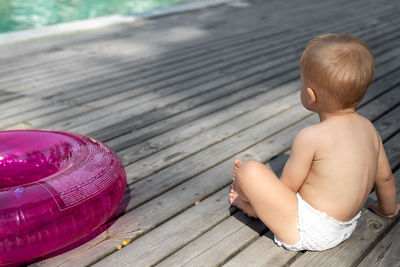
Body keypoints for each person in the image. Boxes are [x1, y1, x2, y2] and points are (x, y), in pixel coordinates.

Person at [229, 33, 399, 251]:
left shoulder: (310, 137)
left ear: (310, 95)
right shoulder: (369, 128)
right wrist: (387, 210)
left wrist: (252, 191)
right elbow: (385, 179)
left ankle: (251, 207)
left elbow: (286, 190)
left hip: (308, 229)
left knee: (250, 171)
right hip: (346, 225)